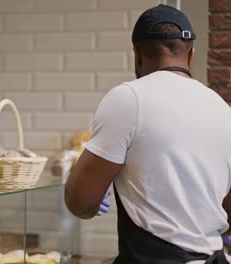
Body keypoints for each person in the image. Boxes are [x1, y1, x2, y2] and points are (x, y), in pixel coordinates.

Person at [64, 4, 231, 264]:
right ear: (191, 54)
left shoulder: (127, 99)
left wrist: (101, 187)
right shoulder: (222, 109)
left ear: (137, 55)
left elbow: (80, 203)